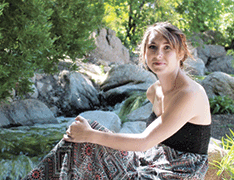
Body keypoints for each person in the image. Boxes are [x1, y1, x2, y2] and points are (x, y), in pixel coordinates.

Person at [23, 22, 211, 180]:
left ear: (181, 53)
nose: (158, 54)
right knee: (87, 133)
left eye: (167, 48)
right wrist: (88, 134)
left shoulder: (189, 94)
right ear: (144, 53)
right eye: (152, 47)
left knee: (88, 136)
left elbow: (144, 141)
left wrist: (88, 135)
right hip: (150, 160)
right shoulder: (154, 91)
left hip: (178, 173)